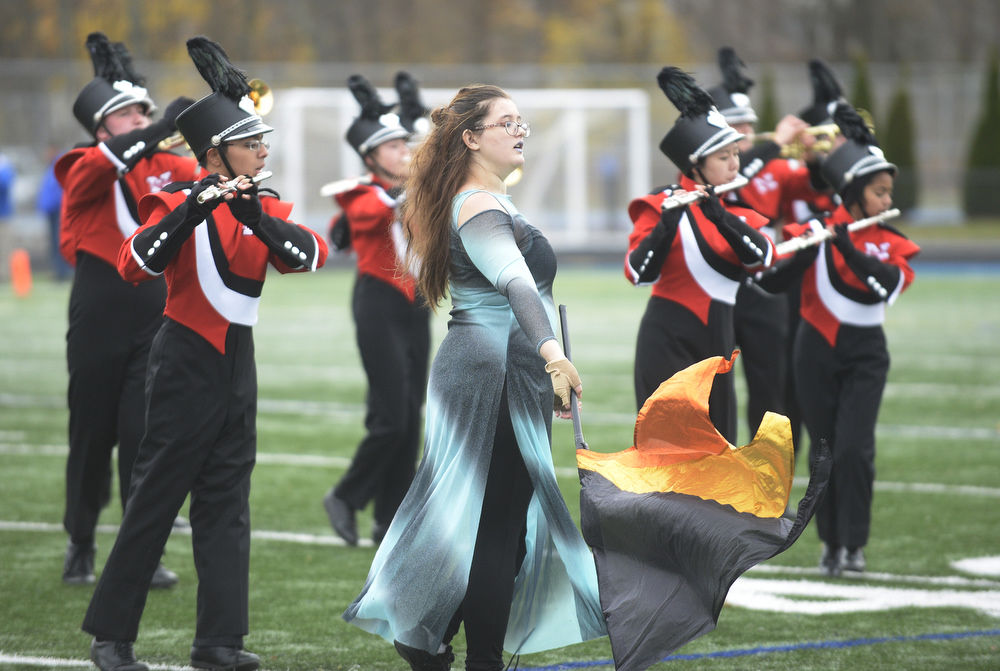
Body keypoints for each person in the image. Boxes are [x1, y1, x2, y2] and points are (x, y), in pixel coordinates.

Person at [81, 36, 328, 671]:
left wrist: (257, 216)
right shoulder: (173, 199)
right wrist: (194, 206)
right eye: (253, 144)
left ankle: (218, 641)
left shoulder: (262, 204)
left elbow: (310, 256)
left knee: (227, 504)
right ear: (215, 153)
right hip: (183, 356)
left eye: (263, 142)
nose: (264, 152)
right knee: (155, 499)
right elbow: (134, 262)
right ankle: (112, 634)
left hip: (236, 364)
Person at [343, 84, 606, 671]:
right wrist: (551, 353)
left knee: (499, 530)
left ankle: (426, 638)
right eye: (505, 122)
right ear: (470, 138)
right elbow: (515, 283)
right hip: (491, 374)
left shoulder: (487, 200)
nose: (519, 131)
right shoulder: (477, 205)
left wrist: (545, 369)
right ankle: (465, 653)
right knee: (496, 529)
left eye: (522, 122)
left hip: (504, 370)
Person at [56, 32, 200, 589]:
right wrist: (162, 127)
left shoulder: (162, 162)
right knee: (91, 434)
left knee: (144, 436)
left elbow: (207, 174)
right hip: (99, 309)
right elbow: (101, 167)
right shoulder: (79, 162)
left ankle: (142, 551)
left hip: (153, 309)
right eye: (128, 112)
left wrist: (223, 119)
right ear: (100, 126)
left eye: (144, 108)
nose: (141, 117)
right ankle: (81, 540)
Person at [755, 101, 919, 578]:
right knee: (823, 449)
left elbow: (886, 285)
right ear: (854, 193)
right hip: (814, 351)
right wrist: (802, 252)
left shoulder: (893, 242)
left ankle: (855, 543)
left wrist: (847, 244)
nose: (888, 201)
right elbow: (772, 283)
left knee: (855, 449)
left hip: (866, 354)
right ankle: (830, 544)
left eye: (890, 192)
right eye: (880, 193)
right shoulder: (815, 231)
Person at [625, 67, 774, 444]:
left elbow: (762, 258)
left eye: (736, 153)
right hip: (665, 342)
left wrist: (721, 217)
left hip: (718, 346)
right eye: (723, 156)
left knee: (717, 454)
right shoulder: (660, 203)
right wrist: (665, 226)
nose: (734, 164)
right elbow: (637, 272)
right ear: (696, 163)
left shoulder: (740, 215)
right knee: (668, 457)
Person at [322, 72, 431, 547]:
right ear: (370, 156)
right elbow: (372, 211)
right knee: (389, 416)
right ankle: (346, 495)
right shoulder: (357, 190)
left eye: (405, 144)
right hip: (378, 303)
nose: (404, 151)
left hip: (418, 306)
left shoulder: (417, 187)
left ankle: (390, 518)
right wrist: (426, 173)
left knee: (410, 416)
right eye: (393, 147)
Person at [707, 49, 838, 446]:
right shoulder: (709, 167)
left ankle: (771, 465)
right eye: (738, 127)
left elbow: (816, 190)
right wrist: (774, 144)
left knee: (771, 386)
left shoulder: (774, 165)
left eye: (749, 126)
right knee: (716, 385)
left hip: (765, 287)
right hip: (722, 286)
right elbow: (731, 182)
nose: (747, 134)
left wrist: (815, 161)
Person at [37, 147, 72, 281]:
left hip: (58, 210)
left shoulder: (60, 166)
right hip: (50, 211)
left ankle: (62, 272)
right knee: (53, 242)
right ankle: (58, 271)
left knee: (60, 242)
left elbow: (60, 191)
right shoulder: (51, 168)